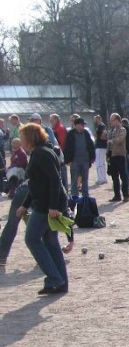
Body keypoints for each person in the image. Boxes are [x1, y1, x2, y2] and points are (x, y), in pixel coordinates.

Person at [16, 123, 68, 295]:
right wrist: (24, 204)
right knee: (51, 243)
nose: (21, 141)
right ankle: (60, 283)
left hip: (46, 206)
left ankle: (54, 278)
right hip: (46, 204)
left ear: (30, 138)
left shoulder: (41, 154)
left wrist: (53, 206)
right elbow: (36, 183)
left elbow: (54, 180)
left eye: (22, 137)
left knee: (31, 239)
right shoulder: (41, 152)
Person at [63, 117, 95, 197]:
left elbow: (91, 146)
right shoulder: (70, 134)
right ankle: (74, 196)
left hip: (85, 161)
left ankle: (85, 196)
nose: (83, 126)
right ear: (76, 125)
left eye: (83, 125)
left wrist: (92, 158)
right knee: (74, 180)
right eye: (81, 125)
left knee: (85, 180)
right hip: (74, 161)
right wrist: (68, 160)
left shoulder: (86, 133)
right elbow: (66, 147)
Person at [107, 113, 129, 202]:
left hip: (120, 155)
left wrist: (112, 141)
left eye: (112, 120)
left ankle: (126, 195)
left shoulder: (122, 130)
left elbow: (120, 139)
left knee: (123, 176)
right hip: (112, 156)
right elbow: (108, 143)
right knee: (114, 177)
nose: (110, 122)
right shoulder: (111, 131)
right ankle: (117, 195)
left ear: (117, 120)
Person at [93, 115, 108, 184]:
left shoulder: (101, 126)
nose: (95, 120)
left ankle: (101, 179)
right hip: (101, 146)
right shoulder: (100, 126)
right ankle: (103, 178)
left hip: (100, 146)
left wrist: (99, 138)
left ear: (99, 119)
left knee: (99, 163)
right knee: (101, 163)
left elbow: (104, 135)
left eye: (96, 119)